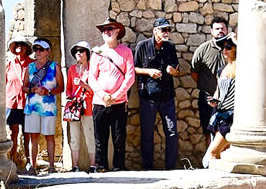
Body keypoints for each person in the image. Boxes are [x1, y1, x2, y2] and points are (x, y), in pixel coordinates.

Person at [87, 18, 136, 172]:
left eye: (110, 29)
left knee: (119, 137)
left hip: (119, 102)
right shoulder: (97, 53)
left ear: (117, 31)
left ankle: (118, 166)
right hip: (100, 102)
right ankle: (101, 166)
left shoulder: (126, 52)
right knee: (100, 137)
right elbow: (91, 77)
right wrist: (103, 95)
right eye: (104, 30)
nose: (106, 32)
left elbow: (130, 77)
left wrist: (115, 95)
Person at [134, 17, 182, 170]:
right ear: (155, 30)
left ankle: (170, 167)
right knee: (147, 134)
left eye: (168, 30)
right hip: (148, 98)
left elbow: (177, 70)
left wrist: (173, 72)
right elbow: (134, 68)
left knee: (172, 132)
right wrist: (148, 72)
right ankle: (147, 167)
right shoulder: (142, 46)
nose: (166, 32)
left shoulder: (170, 47)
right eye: (163, 30)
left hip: (167, 97)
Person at [23, 39, 64, 175]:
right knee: (33, 137)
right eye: (36, 49)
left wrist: (48, 91)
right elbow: (24, 87)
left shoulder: (54, 67)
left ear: (48, 51)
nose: (38, 52)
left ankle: (52, 166)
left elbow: (61, 87)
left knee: (49, 136)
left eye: (41, 49)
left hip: (48, 107)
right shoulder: (29, 68)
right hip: (32, 107)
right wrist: (32, 89)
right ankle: (32, 166)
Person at [191, 16, 230, 137]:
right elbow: (194, 72)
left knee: (226, 133)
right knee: (209, 132)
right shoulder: (203, 50)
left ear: (227, 30)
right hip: (208, 99)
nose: (220, 31)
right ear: (211, 31)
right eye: (217, 29)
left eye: (223, 28)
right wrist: (207, 87)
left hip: (228, 100)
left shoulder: (234, 50)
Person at [203, 34, 238, 167]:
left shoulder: (241, 68)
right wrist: (214, 100)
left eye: (228, 47)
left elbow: (250, 56)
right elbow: (219, 90)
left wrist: (236, 40)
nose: (225, 50)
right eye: (223, 48)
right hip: (219, 113)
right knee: (221, 153)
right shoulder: (222, 69)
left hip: (231, 116)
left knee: (211, 154)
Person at [63, 41, 95, 172]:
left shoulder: (92, 69)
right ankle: (74, 165)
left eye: (81, 51)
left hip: (88, 106)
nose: (78, 54)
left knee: (89, 135)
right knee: (74, 137)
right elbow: (68, 88)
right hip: (75, 107)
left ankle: (93, 165)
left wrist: (83, 85)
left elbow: (95, 89)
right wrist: (71, 98)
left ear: (87, 53)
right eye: (76, 51)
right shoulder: (71, 70)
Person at [5, 36, 34, 167]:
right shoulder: (9, 65)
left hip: (28, 102)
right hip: (12, 102)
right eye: (17, 44)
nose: (19, 47)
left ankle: (29, 161)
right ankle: (13, 160)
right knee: (13, 132)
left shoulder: (32, 64)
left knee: (28, 133)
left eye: (22, 44)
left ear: (27, 48)